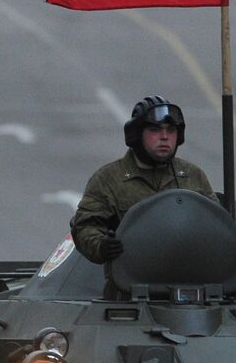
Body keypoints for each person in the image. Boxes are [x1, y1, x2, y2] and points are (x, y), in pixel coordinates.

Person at [71, 96, 217, 266]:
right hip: (130, 276)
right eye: (155, 130)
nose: (164, 137)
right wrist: (101, 246)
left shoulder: (192, 176)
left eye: (171, 130)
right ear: (136, 135)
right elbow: (85, 226)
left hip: (189, 274)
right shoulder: (108, 179)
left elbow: (217, 224)